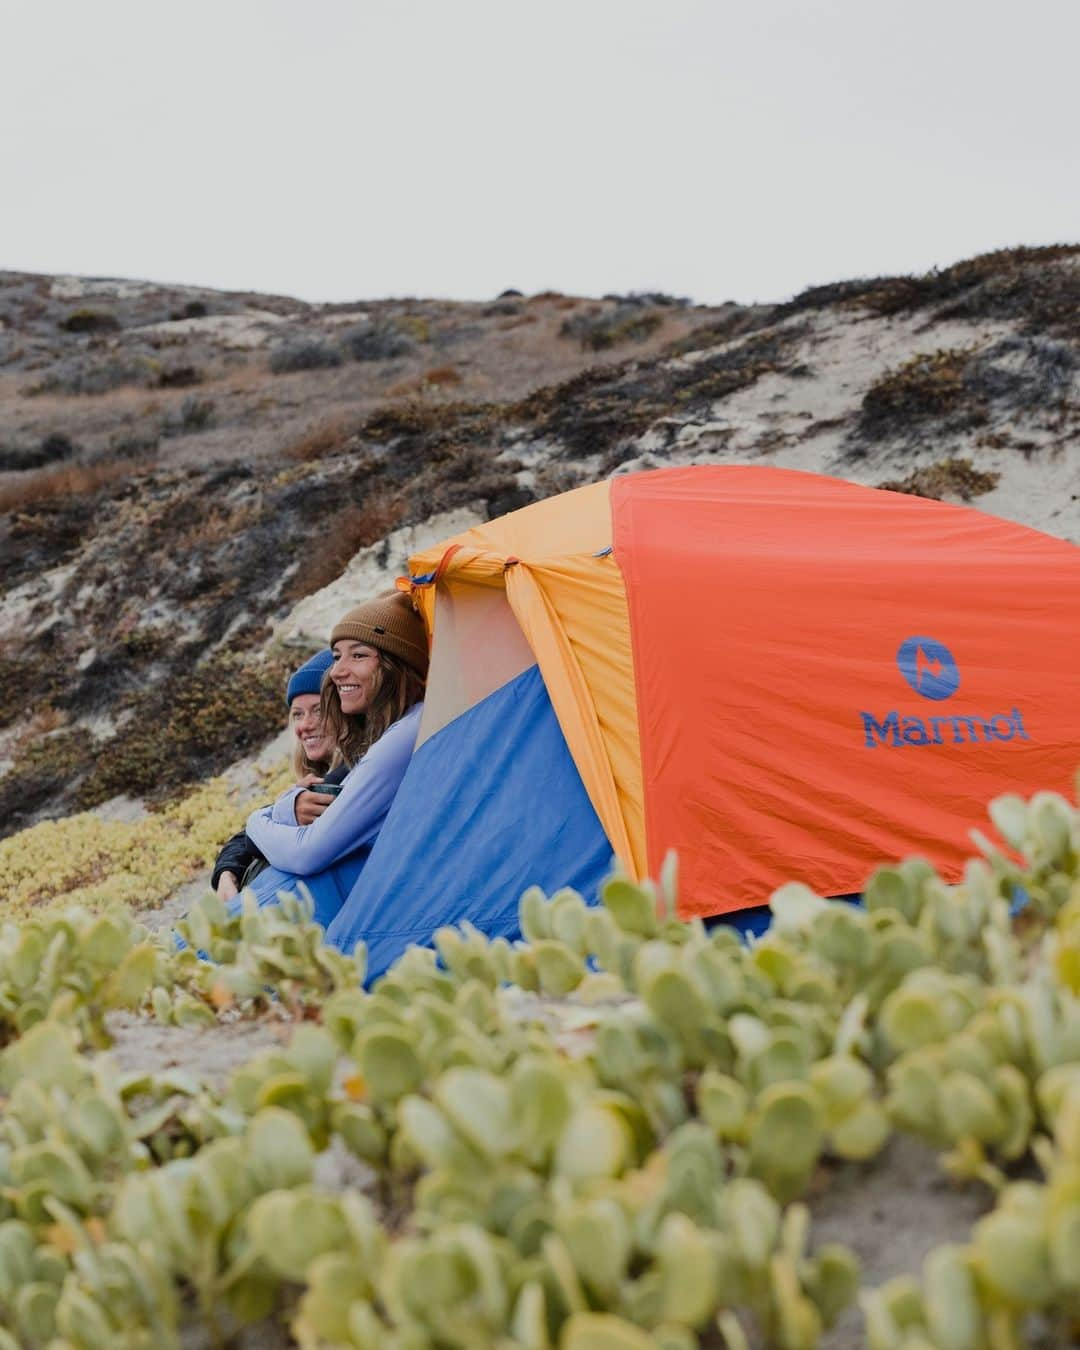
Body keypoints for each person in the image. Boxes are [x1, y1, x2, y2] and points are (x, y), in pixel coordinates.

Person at [234, 590, 428, 928]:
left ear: (396, 665)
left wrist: (257, 820)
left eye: (358, 655)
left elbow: (309, 851)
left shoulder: (402, 739)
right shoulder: (387, 738)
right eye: (337, 656)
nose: (337, 671)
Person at [211, 648, 338, 902]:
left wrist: (283, 811)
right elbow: (247, 836)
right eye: (298, 714)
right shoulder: (315, 781)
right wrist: (226, 872)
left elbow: (270, 838)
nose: (304, 725)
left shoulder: (344, 781)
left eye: (318, 710)